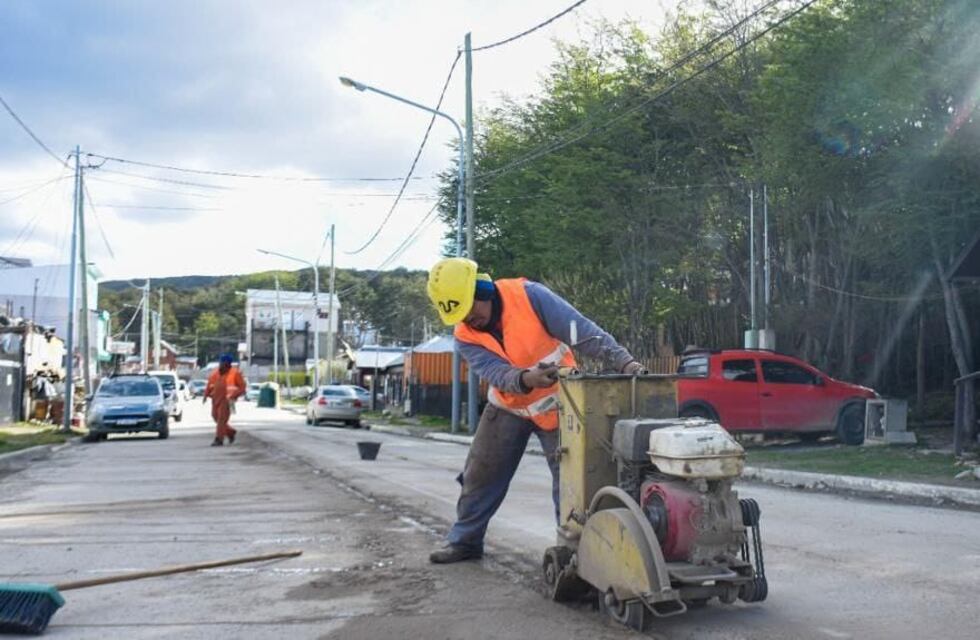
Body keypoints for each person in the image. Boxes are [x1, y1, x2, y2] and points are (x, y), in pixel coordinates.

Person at [425, 257, 644, 563]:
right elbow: (495, 371)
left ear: (482, 290)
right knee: (480, 475)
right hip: (508, 406)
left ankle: (576, 556)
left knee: (572, 483)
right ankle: (465, 542)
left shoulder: (530, 297)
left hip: (561, 405)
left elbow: (582, 331)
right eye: (460, 315)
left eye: (470, 309)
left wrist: (625, 362)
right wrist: (526, 378)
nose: (468, 319)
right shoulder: (464, 335)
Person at [203, 354, 245, 446]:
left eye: (223, 363)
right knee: (215, 417)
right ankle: (230, 432)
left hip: (227, 400)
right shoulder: (215, 373)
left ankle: (219, 439)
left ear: (228, 364)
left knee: (221, 419)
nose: (221, 364)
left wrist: (234, 395)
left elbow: (242, 387)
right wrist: (205, 395)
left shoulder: (235, 373)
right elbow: (209, 385)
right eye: (221, 362)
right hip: (215, 399)